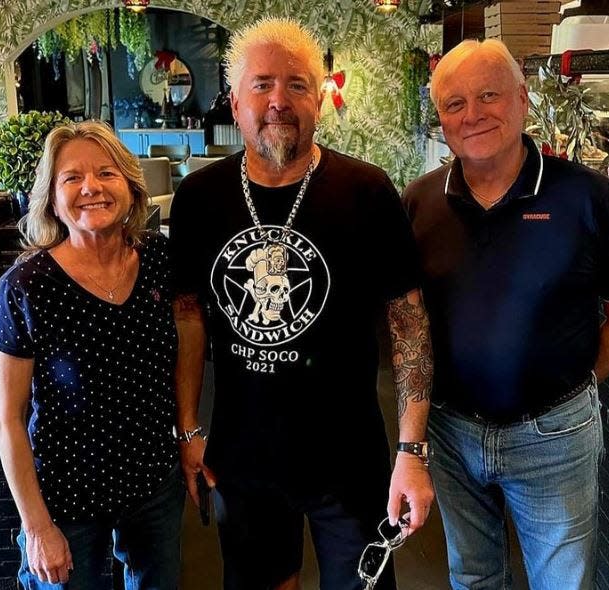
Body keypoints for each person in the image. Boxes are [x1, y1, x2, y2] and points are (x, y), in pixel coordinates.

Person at [169, 17, 434, 590]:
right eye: (261, 84)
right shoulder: (199, 197)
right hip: (244, 457)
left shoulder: (367, 190)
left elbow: (409, 322)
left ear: (320, 98)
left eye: (295, 84)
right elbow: (187, 317)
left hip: (350, 458)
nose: (278, 101)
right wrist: (189, 427)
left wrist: (412, 449)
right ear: (234, 100)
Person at [403, 39, 609, 590]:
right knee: (472, 577)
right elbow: (409, 328)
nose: (473, 115)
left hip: (554, 437)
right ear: (441, 118)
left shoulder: (587, 197)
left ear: (522, 100)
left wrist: (569, 391)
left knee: (560, 582)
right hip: (451, 434)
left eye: (489, 95)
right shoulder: (419, 204)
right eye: (455, 104)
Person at [0, 121, 185, 589]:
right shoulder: (26, 286)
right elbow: (7, 418)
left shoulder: (159, 258)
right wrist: (36, 526)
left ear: (131, 188)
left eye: (106, 173)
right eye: (71, 178)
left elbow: (187, 342)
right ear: (52, 197)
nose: (91, 188)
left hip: (152, 483)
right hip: (63, 497)